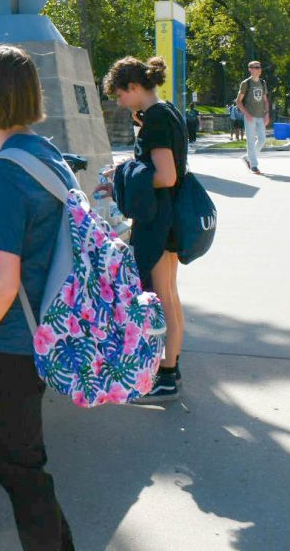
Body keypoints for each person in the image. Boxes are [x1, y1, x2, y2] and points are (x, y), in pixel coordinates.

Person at [0, 44, 75, 550]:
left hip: (7, 343)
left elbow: (4, 282)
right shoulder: (45, 154)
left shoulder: (2, 172)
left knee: (18, 467)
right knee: (24, 463)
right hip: (42, 331)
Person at [103, 56, 188, 401]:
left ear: (134, 87)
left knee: (163, 296)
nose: (120, 103)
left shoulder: (155, 120)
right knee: (171, 294)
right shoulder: (167, 112)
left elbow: (165, 175)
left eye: (121, 95)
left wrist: (123, 177)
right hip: (173, 214)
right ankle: (172, 366)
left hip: (158, 218)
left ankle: (166, 375)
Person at [236, 61, 272, 174]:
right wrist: (246, 114)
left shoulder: (263, 82)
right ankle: (254, 165)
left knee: (262, 139)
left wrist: (267, 114)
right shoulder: (246, 83)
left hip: (261, 116)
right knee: (251, 141)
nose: (259, 69)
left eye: (259, 67)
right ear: (250, 69)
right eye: (256, 67)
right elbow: (238, 101)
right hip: (250, 116)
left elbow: (265, 100)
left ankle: (248, 158)